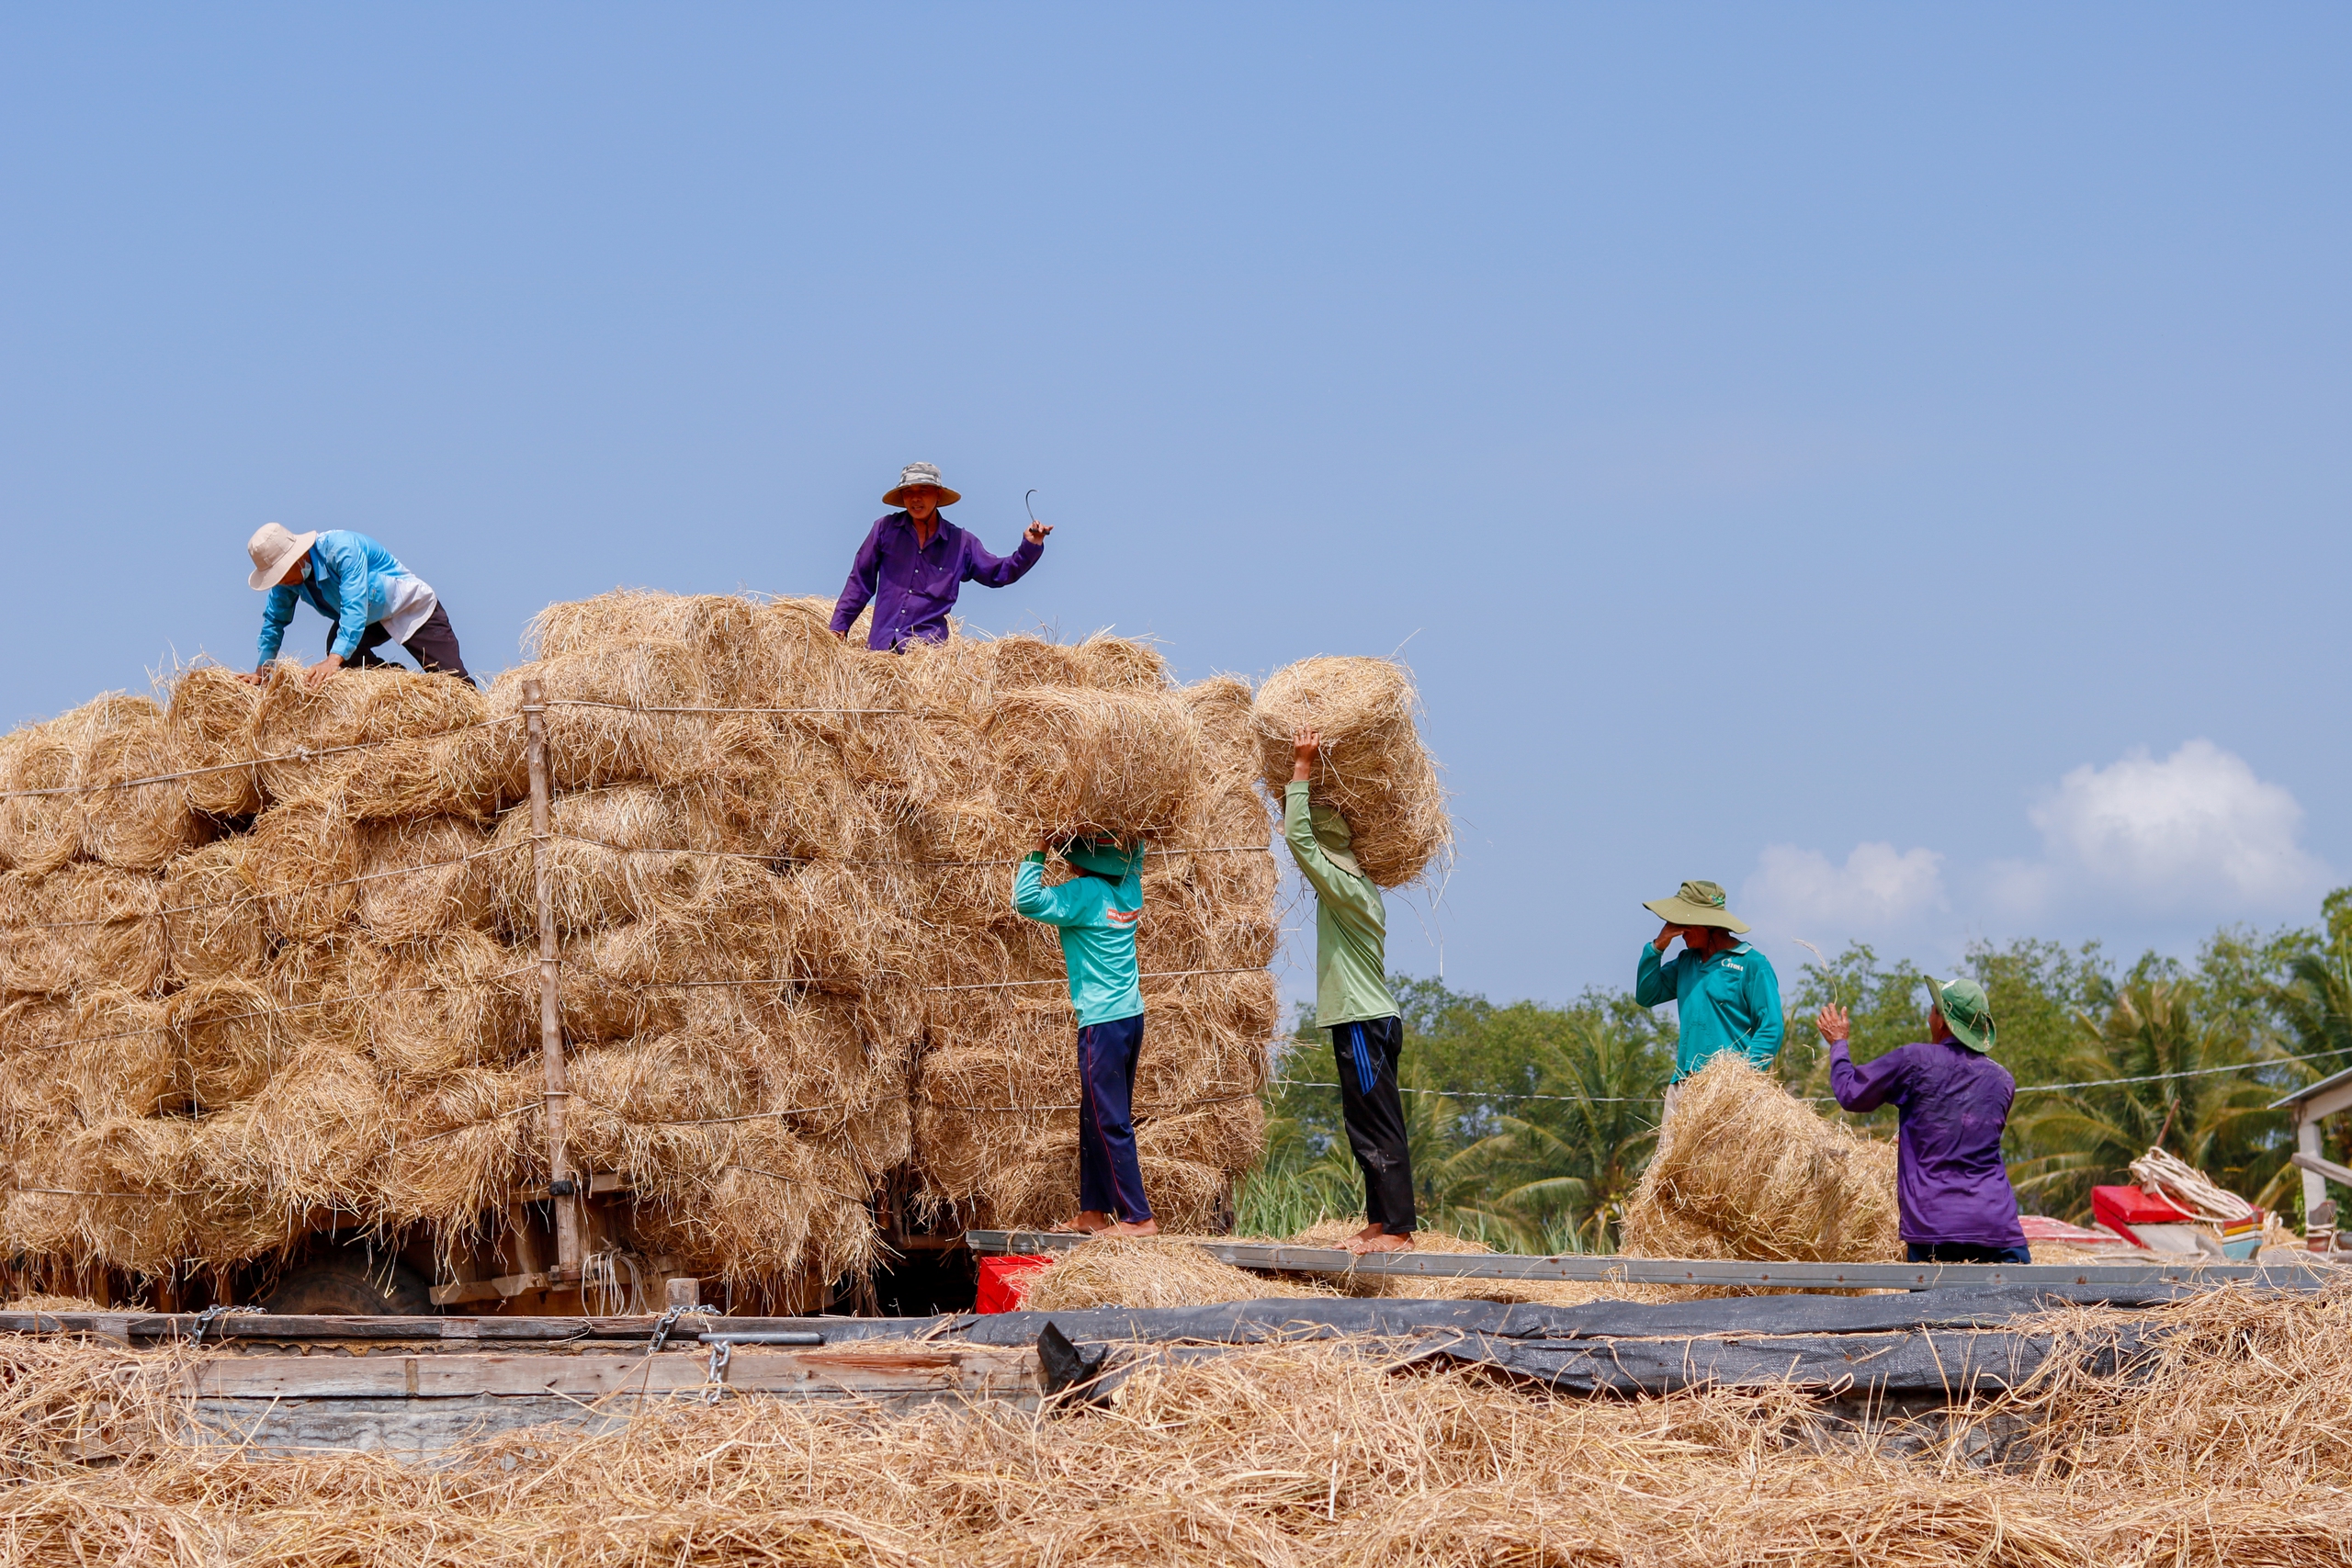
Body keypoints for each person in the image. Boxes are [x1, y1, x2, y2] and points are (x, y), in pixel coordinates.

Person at [1286, 727, 1414, 1255]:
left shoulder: (1343, 886)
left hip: (1362, 1020)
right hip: (1364, 1018)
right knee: (1363, 1121)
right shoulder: (1357, 885)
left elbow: (1298, 838)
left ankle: (1399, 1228)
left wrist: (1301, 768)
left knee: (1376, 1123)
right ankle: (1380, 1222)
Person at [1815, 977, 2031, 1265]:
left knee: (1933, 1297)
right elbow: (1966, 1132)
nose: (1929, 1017)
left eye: (1932, 1010)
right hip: (1997, 1226)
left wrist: (1838, 1044)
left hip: (1934, 1226)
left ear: (1942, 1022)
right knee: (2017, 1297)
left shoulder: (1914, 1060)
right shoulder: (2003, 1080)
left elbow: (1851, 1093)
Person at [1013, 832, 1156, 1236]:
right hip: (1130, 1018)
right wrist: (1134, 835)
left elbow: (1026, 900)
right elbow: (1135, 861)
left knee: (1109, 1119)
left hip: (1102, 1024)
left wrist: (1040, 847)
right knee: (1094, 1114)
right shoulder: (1129, 889)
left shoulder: (1085, 893)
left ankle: (1138, 1218)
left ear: (1081, 863)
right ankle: (1093, 1211)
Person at [830, 462, 1053, 650]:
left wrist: (1030, 546)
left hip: (928, 657)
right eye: (908, 492)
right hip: (881, 651)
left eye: (923, 491)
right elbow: (860, 581)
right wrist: (839, 626)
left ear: (938, 495)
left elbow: (998, 573)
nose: (915, 499)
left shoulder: (961, 543)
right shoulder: (884, 530)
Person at [240, 524, 473, 688]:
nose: (280, 581)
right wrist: (263, 670)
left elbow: (355, 605)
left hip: (406, 606)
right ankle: (399, 688)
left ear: (296, 556)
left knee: (454, 682)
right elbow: (274, 622)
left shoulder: (341, 549)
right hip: (367, 620)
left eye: (281, 573)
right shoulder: (286, 583)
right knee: (343, 652)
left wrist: (333, 660)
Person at [1634, 880, 1783, 1131]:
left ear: (1707, 924)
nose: (1679, 931)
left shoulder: (1752, 964)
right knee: (1671, 1155)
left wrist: (1742, 1078)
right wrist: (1657, 947)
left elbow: (1771, 1027)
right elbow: (1647, 995)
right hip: (1683, 1084)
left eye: (1684, 924)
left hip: (1729, 1088)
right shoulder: (1686, 962)